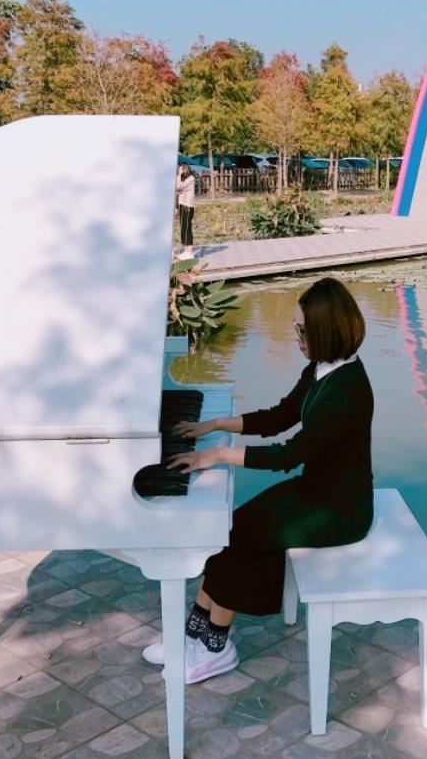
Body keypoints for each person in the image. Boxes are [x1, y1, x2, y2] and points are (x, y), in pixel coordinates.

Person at [147, 276, 375, 683]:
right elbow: (280, 416)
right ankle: (193, 635)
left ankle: (216, 646)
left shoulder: (347, 391)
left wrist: (216, 455)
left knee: (243, 540)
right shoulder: (322, 369)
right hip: (315, 491)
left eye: (301, 331)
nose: (296, 337)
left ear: (325, 331)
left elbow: (288, 455)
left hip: (340, 510)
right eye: (296, 328)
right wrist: (216, 424)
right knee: (229, 528)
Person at [175, 164, 196, 257]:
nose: (179, 171)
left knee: (187, 228)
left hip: (188, 206)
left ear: (184, 170)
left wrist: (179, 176)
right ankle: (186, 250)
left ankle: (190, 252)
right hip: (183, 205)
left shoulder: (191, 178)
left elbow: (178, 187)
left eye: (180, 170)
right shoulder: (184, 179)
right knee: (183, 228)